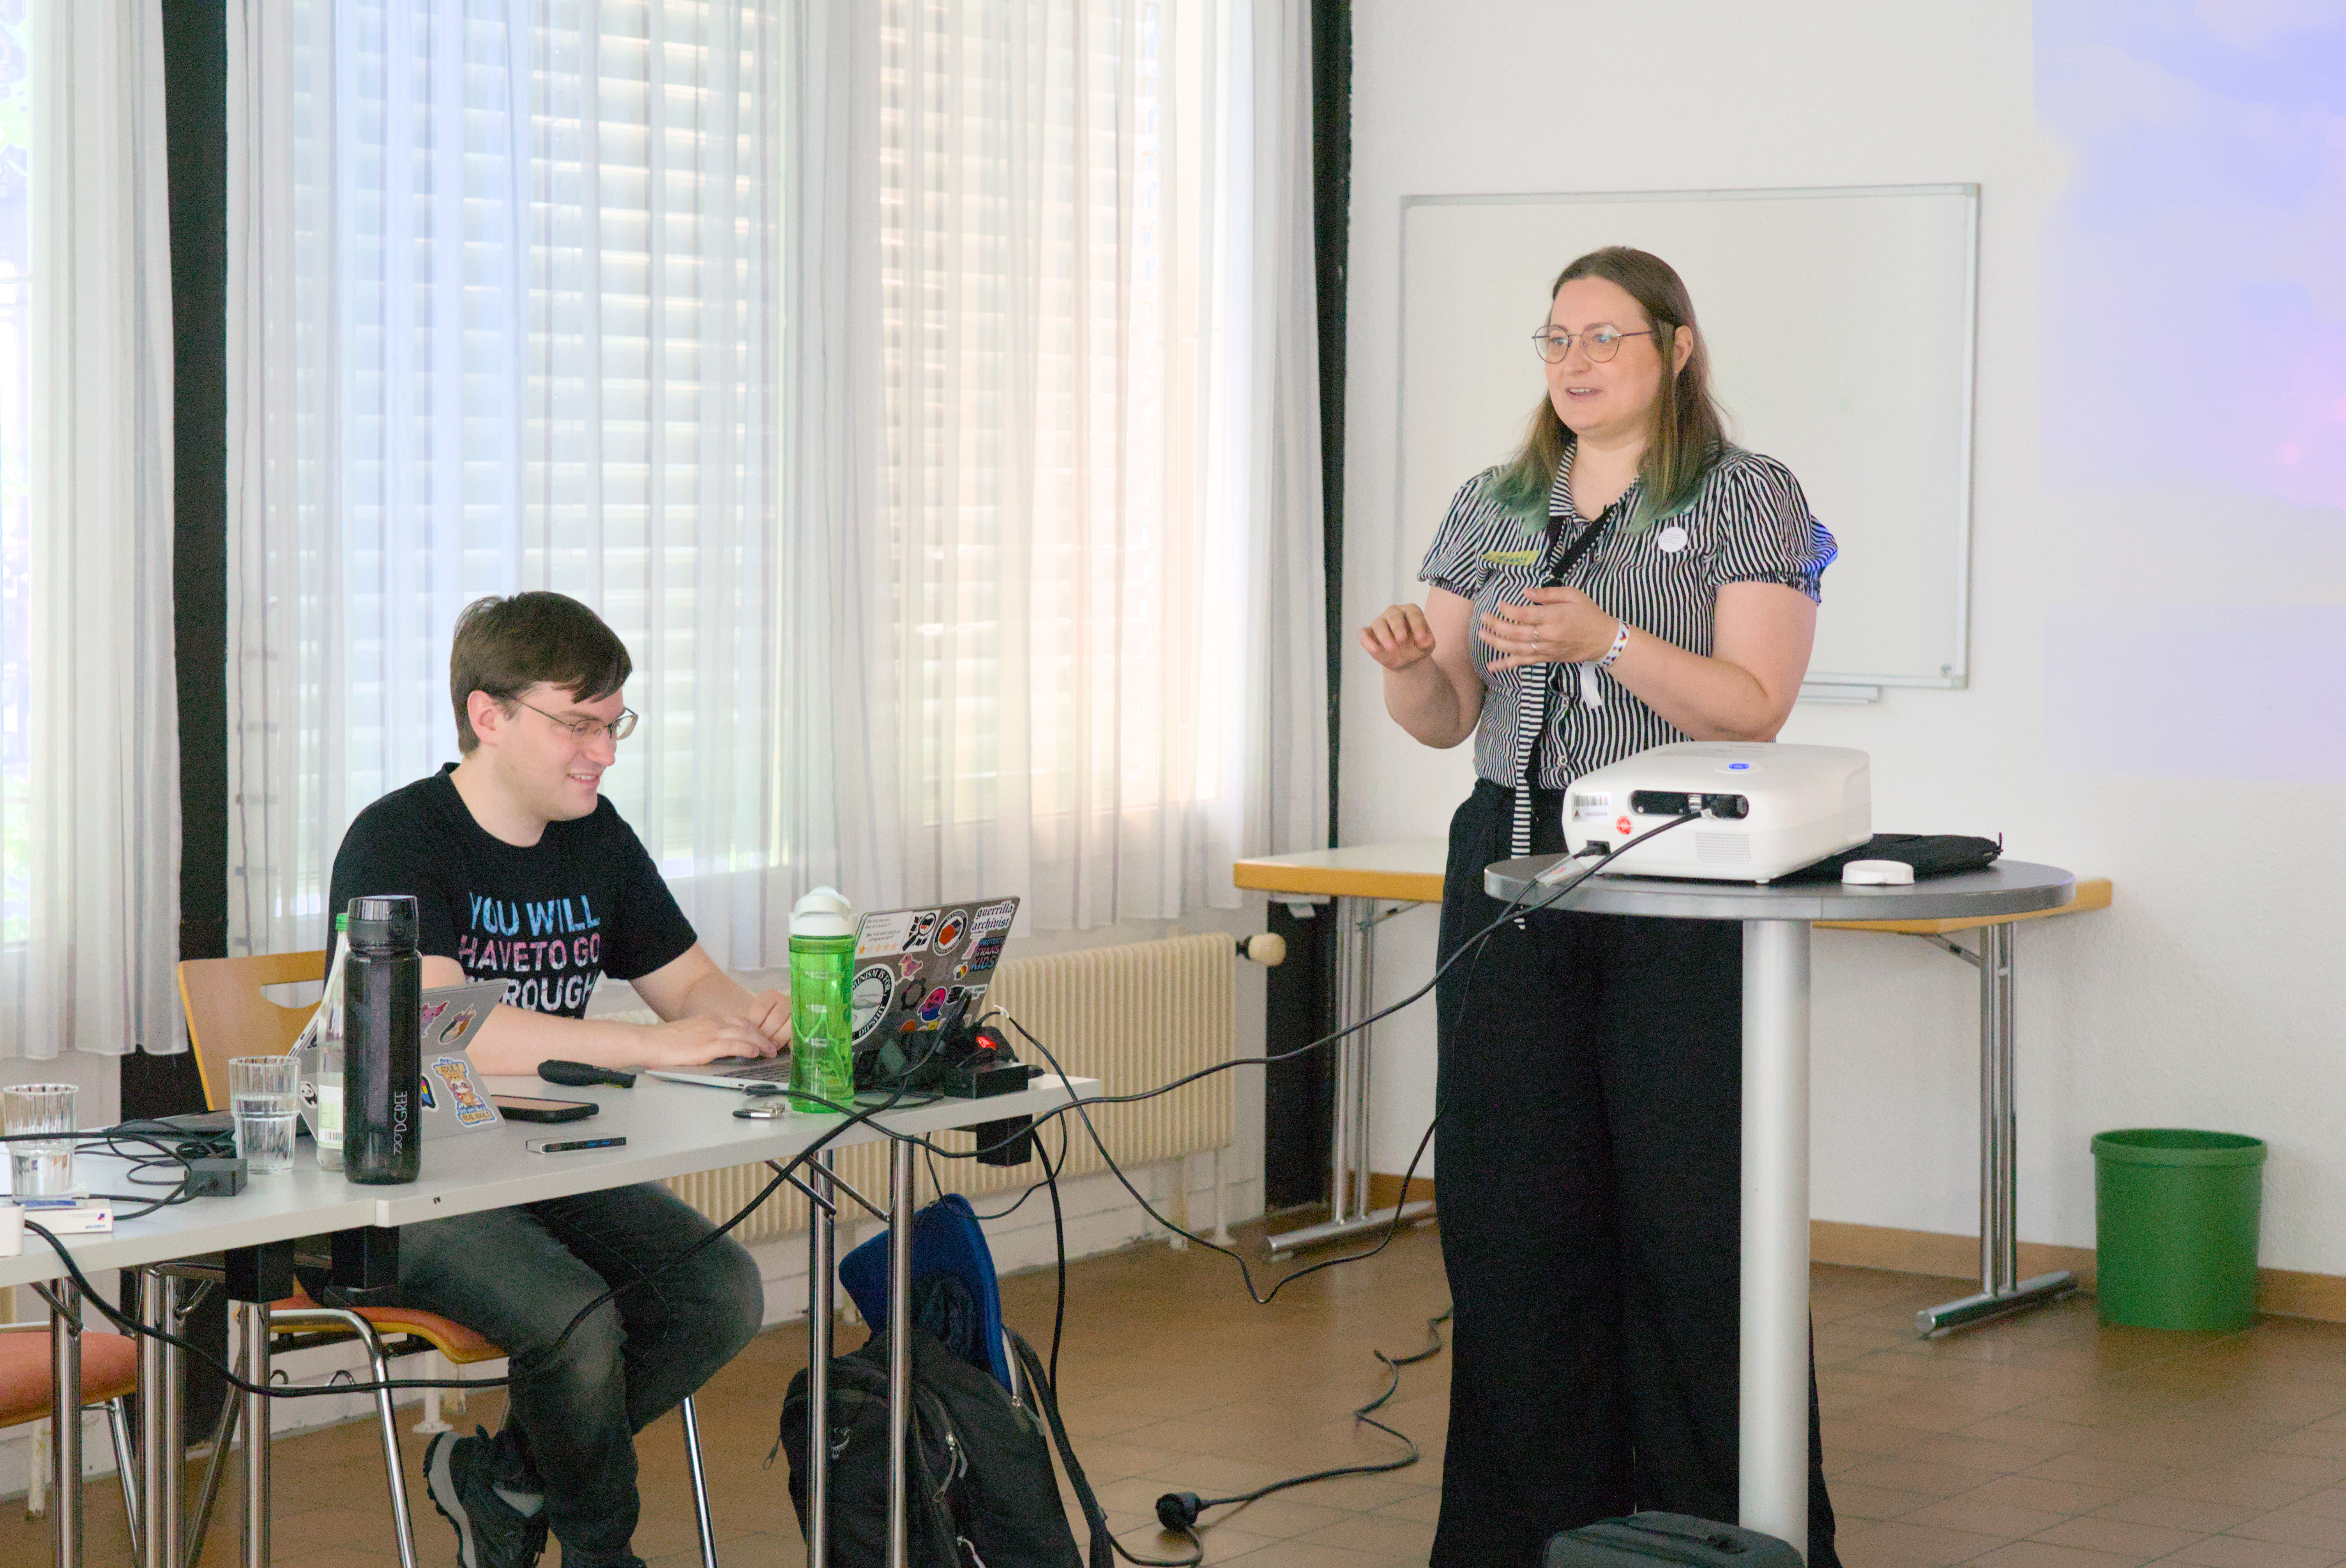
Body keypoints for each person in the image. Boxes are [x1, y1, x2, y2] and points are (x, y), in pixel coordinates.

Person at [1358, 247, 1841, 1568]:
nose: (1574, 363)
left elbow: (1755, 705)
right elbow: (1449, 713)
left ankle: (1726, 1533)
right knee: (1516, 1223)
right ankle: (1533, 1539)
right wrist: (1410, 670)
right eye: (1556, 339)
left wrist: (1608, 640)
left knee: (1696, 1227)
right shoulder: (1499, 502)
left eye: (1606, 338)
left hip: (1681, 883)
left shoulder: (1749, 497)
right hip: (1514, 865)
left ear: (1677, 349)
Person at [328, 591, 791, 1568]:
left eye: (614, 721)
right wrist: (654, 1046)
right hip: (407, 1177)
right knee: (577, 1320)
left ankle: (504, 1478)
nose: (605, 750)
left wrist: (763, 1019)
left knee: (719, 1291)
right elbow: (447, 1032)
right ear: (487, 715)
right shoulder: (398, 838)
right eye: (578, 722)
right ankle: (598, 1548)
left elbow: (687, 980)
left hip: (547, 1156)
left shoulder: (596, 833)